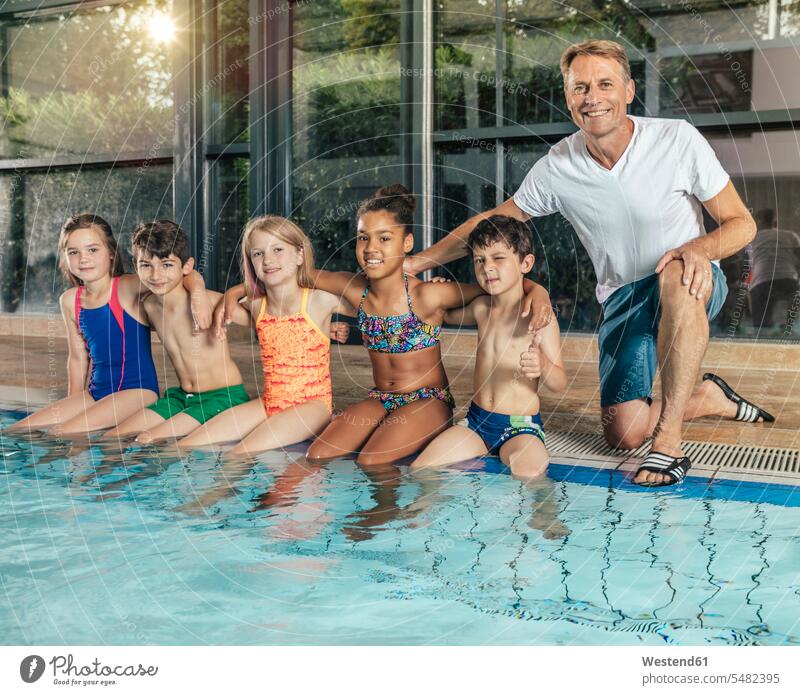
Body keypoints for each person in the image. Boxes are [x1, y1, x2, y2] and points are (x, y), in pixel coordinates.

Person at [405, 39, 773, 487]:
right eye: (580, 88)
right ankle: (705, 396)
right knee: (624, 433)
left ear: (629, 90)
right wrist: (419, 261)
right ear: (567, 97)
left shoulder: (676, 139)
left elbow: (742, 224)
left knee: (675, 272)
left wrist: (699, 249)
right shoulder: (558, 165)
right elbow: (496, 221)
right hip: (622, 298)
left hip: (691, 281)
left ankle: (669, 444)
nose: (592, 97)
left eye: (604, 84)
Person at [302, 184, 551, 465]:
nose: (371, 248)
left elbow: (498, 285)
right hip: (381, 397)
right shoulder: (353, 289)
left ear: (407, 244)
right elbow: (301, 275)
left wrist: (537, 291)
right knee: (317, 454)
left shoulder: (428, 295)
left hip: (428, 401)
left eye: (384, 238)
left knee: (371, 461)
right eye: (363, 238)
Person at [6, 213, 211, 436]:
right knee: (16, 430)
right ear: (65, 258)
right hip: (97, 392)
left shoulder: (127, 287)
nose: (83, 258)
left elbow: (180, 275)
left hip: (137, 392)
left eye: (92, 250)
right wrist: (73, 405)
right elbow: (77, 358)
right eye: (73, 252)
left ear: (111, 253)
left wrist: (198, 294)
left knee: (61, 434)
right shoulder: (69, 300)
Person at [178, 215, 353, 456]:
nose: (268, 260)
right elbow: (194, 290)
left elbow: (373, 301)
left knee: (238, 453)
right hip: (270, 402)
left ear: (300, 255)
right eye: (258, 254)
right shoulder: (257, 305)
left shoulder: (318, 300)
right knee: (185, 445)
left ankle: (219, 493)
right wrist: (221, 292)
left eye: (278, 249)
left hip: (312, 406)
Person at [411, 215, 566, 479]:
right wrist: (439, 291)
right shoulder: (481, 309)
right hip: (476, 422)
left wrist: (543, 365)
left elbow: (559, 383)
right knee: (420, 469)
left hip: (519, 427)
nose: (487, 268)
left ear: (526, 263)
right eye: (479, 260)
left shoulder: (540, 319)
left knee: (531, 477)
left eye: (498, 258)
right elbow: (443, 315)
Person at [102, 220, 250, 444]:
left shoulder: (209, 301)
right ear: (135, 265)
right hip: (181, 397)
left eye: (167, 265)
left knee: (146, 439)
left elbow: (260, 321)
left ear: (187, 266)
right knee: (112, 436)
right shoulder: (149, 306)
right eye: (146, 265)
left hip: (223, 396)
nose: (156, 275)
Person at [747, 208, 800, 333]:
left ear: (757, 223)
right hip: (788, 280)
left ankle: (763, 332)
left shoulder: (751, 239)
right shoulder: (790, 236)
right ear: (775, 223)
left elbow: (747, 265)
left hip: (761, 283)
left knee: (761, 327)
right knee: (789, 323)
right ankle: (787, 329)